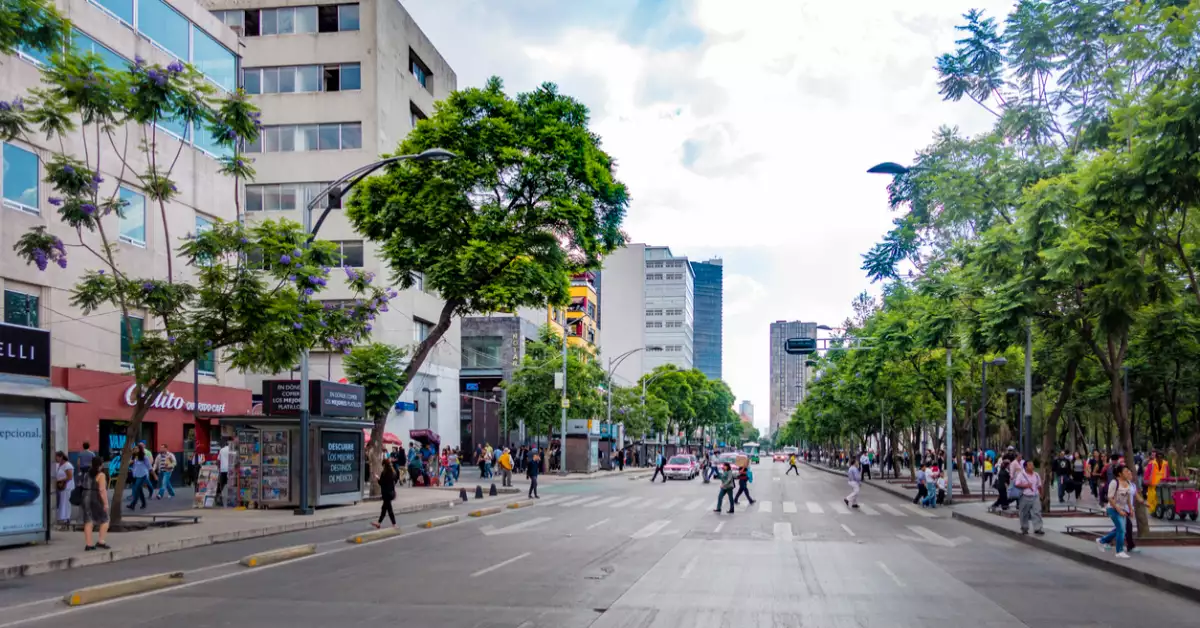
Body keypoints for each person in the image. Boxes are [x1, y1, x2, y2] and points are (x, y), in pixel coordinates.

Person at [1097, 464, 1133, 558]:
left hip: (1122, 509)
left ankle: (1102, 540)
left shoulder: (1127, 483)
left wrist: (1130, 508)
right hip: (1112, 509)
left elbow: (1128, 497)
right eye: (1125, 471)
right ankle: (1119, 551)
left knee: (1120, 529)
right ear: (1119, 474)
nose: (1128, 473)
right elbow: (1110, 498)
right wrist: (1119, 510)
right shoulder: (1114, 482)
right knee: (1121, 529)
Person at [79, 456, 110, 551]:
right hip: (95, 497)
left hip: (85, 496)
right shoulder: (101, 475)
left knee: (88, 520)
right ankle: (101, 541)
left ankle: (89, 544)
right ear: (100, 465)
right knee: (105, 519)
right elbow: (102, 490)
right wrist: (105, 503)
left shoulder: (87, 474)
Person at [1014, 459, 1044, 535]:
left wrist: (1041, 494)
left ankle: (1038, 528)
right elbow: (1017, 484)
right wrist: (1026, 485)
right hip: (1025, 496)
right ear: (1025, 467)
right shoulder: (1021, 475)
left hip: (1035, 496)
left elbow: (1039, 486)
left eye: (1032, 465)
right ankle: (1024, 528)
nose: (1032, 466)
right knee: (1024, 513)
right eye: (1030, 465)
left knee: (1037, 512)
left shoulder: (1036, 475)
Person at [127, 443, 156, 510]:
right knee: (139, 490)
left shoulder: (144, 457)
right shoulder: (134, 457)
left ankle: (133, 504)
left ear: (140, 449)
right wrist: (131, 461)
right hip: (135, 475)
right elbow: (130, 464)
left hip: (143, 475)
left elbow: (149, 466)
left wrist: (154, 475)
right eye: (134, 449)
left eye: (137, 448)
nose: (135, 450)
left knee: (137, 488)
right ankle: (144, 504)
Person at [372, 458, 398, 529]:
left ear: (384, 465)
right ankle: (378, 523)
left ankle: (394, 524)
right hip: (391, 493)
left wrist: (377, 478)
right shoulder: (393, 472)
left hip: (386, 494)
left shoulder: (384, 473)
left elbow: (381, 483)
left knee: (389, 509)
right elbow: (394, 481)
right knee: (384, 508)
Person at [54, 451, 74, 526]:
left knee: (66, 503)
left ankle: (66, 518)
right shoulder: (59, 465)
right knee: (61, 502)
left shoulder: (67, 465)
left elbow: (70, 477)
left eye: (57, 457)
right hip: (61, 487)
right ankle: (62, 518)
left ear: (61, 457)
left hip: (67, 487)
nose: (55, 458)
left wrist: (60, 480)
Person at [216, 439, 233, 505]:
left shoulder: (221, 450)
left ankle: (221, 497)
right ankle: (229, 497)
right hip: (230, 470)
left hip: (223, 470)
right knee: (230, 484)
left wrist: (218, 468)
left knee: (222, 484)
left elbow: (218, 460)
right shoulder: (231, 450)